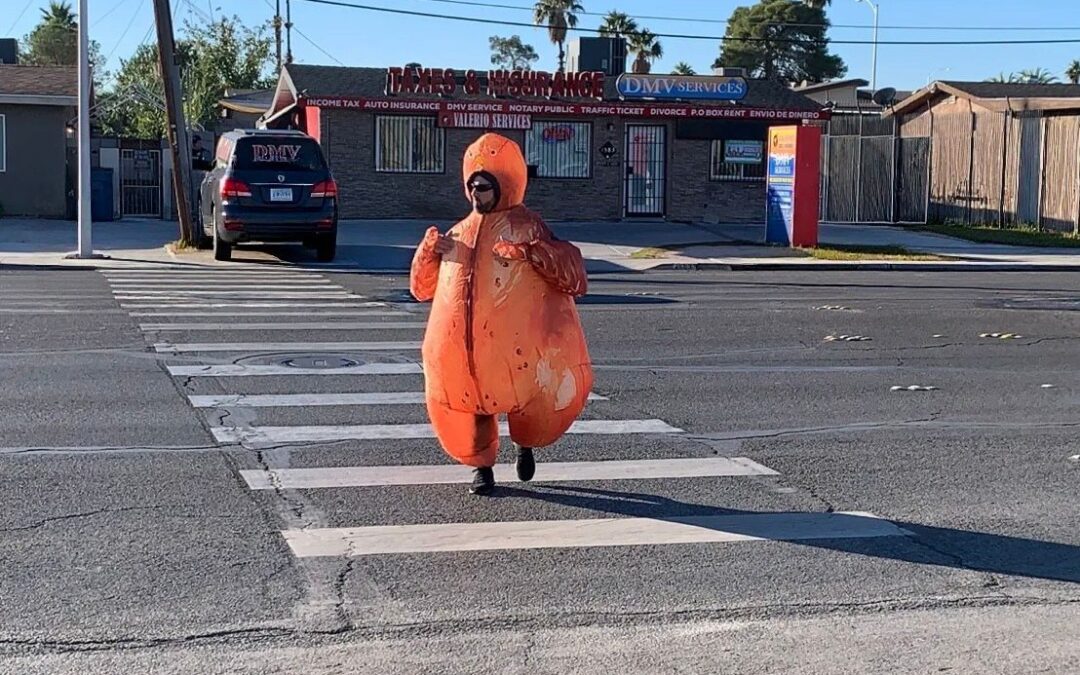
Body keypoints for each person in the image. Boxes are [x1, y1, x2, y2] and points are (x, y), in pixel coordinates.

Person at [410, 133, 593, 496]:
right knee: (471, 402)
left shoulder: (530, 227)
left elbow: (574, 275)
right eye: (473, 187)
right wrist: (429, 252)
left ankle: (525, 444)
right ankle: (482, 468)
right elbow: (422, 288)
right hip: (468, 351)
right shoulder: (458, 232)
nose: (478, 195)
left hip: (522, 346)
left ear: (504, 184)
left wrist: (532, 252)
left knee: (527, 399)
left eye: (485, 187)